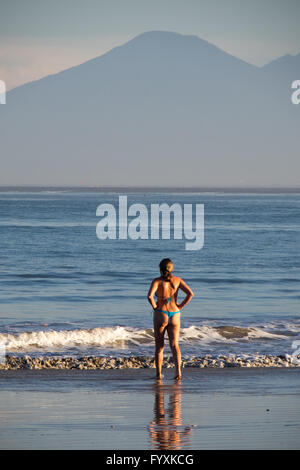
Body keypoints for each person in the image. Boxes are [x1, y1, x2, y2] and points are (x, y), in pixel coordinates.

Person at [147, 258, 194, 380]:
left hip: (161, 313)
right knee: (175, 345)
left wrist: (155, 307)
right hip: (175, 314)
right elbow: (190, 294)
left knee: (159, 346)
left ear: (160, 269)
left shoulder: (157, 281)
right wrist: (180, 306)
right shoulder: (177, 280)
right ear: (171, 268)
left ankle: (158, 374)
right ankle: (178, 372)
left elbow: (149, 296)